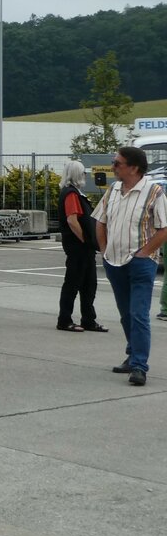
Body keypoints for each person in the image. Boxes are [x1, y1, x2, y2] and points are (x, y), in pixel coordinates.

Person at [93, 146, 167, 386]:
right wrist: (104, 249)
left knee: (138, 314)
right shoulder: (113, 190)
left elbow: (163, 229)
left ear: (134, 168)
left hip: (140, 264)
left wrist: (144, 253)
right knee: (126, 314)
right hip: (114, 262)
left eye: (118, 163)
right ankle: (132, 354)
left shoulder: (154, 192)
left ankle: (139, 366)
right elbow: (100, 221)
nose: (113, 167)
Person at [56, 160, 105, 332]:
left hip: (86, 249)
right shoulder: (71, 194)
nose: (85, 175)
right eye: (83, 172)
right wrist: (85, 239)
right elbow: (72, 220)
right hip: (78, 248)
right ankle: (64, 319)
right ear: (77, 174)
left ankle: (89, 319)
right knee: (73, 284)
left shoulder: (77, 193)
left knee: (89, 284)